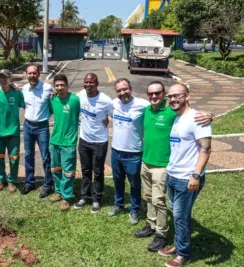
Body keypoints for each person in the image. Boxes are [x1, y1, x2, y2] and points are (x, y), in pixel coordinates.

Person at [135, 81, 214, 252]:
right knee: (148, 197)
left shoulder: (172, 111)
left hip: (163, 166)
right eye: (150, 94)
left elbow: (194, 116)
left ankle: (161, 234)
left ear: (163, 95)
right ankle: (151, 224)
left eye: (158, 93)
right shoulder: (147, 109)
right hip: (147, 162)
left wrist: (210, 115)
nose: (154, 96)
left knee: (158, 200)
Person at [158, 84, 212, 267]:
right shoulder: (177, 117)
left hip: (187, 178)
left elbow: (206, 148)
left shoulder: (197, 118)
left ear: (187, 96)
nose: (172, 99)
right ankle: (178, 244)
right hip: (173, 175)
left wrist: (196, 175)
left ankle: (183, 254)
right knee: (177, 214)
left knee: (181, 216)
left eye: (176, 96)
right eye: (170, 97)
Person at [107, 78, 150, 224]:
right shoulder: (113, 103)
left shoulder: (143, 105)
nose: (122, 92)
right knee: (117, 180)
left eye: (125, 89)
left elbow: (159, 109)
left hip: (133, 153)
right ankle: (118, 204)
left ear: (130, 88)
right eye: (119, 90)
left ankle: (134, 209)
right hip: (116, 151)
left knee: (134, 184)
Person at [73, 73, 113, 213]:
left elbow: (117, 114)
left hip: (99, 142)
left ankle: (96, 199)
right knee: (85, 170)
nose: (88, 85)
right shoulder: (80, 95)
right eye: (86, 82)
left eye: (91, 82)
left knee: (97, 171)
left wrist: (108, 118)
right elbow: (69, 99)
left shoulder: (105, 100)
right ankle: (84, 197)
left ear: (97, 83)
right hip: (84, 141)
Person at [20, 64, 54, 198]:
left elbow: (52, 106)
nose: (32, 76)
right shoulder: (24, 89)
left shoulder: (47, 88)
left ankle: (48, 185)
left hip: (42, 127)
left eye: (34, 73)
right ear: (26, 74)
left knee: (46, 156)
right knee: (28, 155)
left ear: (39, 74)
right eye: (30, 73)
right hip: (27, 126)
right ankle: (30, 183)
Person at [49, 74, 80, 211]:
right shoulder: (53, 99)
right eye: (57, 85)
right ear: (54, 87)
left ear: (67, 85)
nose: (60, 87)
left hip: (68, 142)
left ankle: (67, 197)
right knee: (55, 169)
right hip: (54, 140)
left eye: (62, 85)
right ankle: (59, 192)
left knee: (68, 171)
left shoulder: (74, 99)